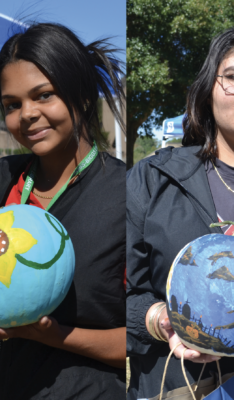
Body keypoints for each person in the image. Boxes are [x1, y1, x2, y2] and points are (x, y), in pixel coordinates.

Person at [0, 23, 127, 399]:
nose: (27, 114)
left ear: (83, 96)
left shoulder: (125, 194)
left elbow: (143, 343)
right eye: (12, 105)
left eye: (44, 95)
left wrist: (52, 335)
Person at [127, 28, 234, 400]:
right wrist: (160, 320)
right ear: (209, 88)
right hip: (181, 385)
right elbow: (113, 291)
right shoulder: (154, 178)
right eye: (233, 77)